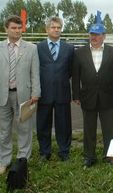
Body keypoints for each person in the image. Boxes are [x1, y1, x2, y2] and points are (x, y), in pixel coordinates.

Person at [0, 15, 40, 175]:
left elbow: (35, 73)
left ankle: (23, 160)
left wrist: (36, 93)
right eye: (13, 28)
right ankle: (4, 161)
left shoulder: (31, 48)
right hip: (2, 95)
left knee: (25, 128)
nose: (17, 31)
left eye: (19, 28)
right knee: (3, 131)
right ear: (6, 29)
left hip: (25, 96)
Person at [72, 23, 113, 168]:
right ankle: (89, 157)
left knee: (110, 129)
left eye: (97, 34)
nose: (93, 37)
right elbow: (75, 76)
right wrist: (76, 94)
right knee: (89, 128)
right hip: (87, 96)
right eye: (91, 34)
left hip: (108, 96)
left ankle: (109, 156)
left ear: (104, 36)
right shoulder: (79, 53)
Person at [36, 16, 74, 163]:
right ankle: (45, 152)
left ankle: (64, 151)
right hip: (44, 93)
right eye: (53, 27)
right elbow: (35, 70)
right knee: (43, 124)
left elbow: (70, 70)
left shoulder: (69, 48)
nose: (56, 30)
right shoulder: (38, 48)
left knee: (64, 124)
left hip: (62, 92)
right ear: (47, 29)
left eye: (58, 27)